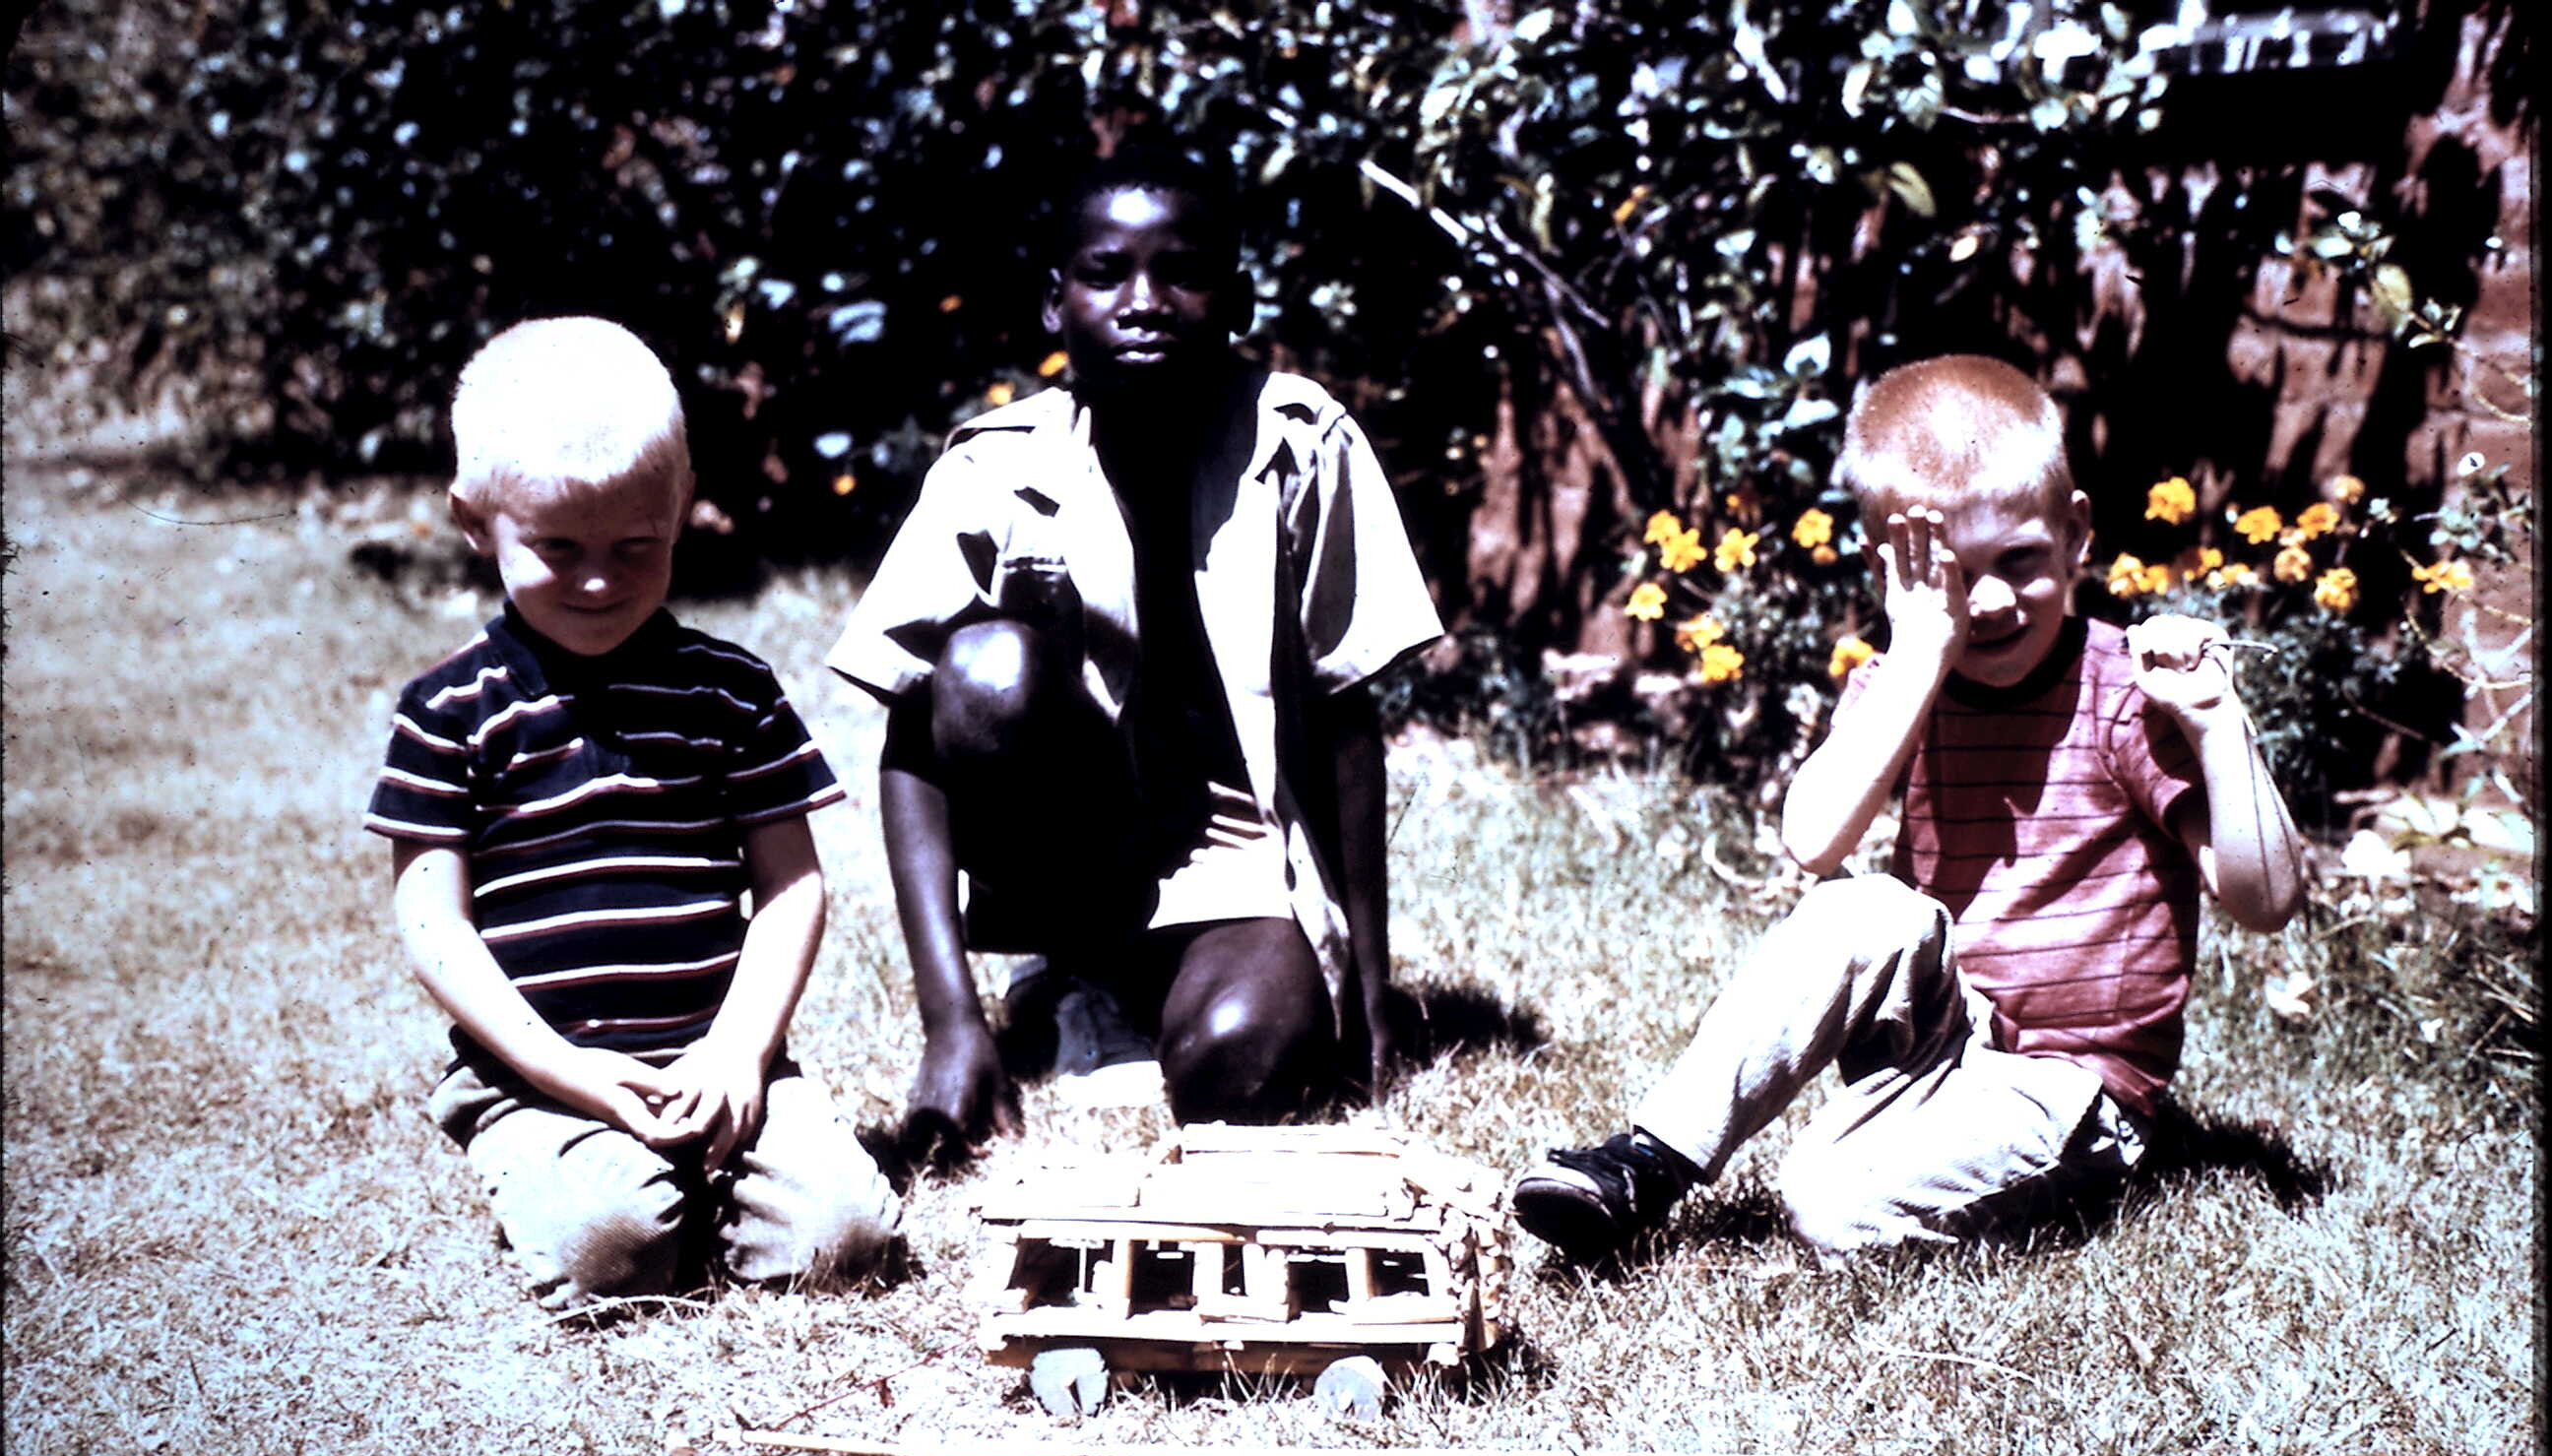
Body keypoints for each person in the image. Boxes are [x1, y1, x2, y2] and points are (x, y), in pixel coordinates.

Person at [1513, 353, 2305, 1262]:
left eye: (2021, 561)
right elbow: (1814, 844)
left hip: (2069, 1086)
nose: (1997, 602)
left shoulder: (2123, 689)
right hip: (1941, 1034)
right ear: (1895, 571)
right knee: (1861, 904)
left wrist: (2217, 723)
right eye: (1959, 578)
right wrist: (1923, 653)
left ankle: (2046, 1183)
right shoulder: (1905, 680)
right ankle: (1648, 1164)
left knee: (1826, 1207)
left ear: (2077, 533)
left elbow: (2265, 899)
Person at [827, 139, 1441, 1167]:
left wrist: (1368, 989)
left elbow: (1346, 711)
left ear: (1237, 299)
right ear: (1054, 304)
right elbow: (912, 738)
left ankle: (1160, 995)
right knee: (983, 669)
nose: (1146, 301)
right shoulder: (995, 472)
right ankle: (1069, 971)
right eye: (1107, 273)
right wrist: (949, 1019)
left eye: (1185, 272)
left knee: (1238, 1077)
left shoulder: (1302, 447)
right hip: (1078, 849)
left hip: (1242, 859)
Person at [365, 317, 899, 1313]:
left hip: (722, 1057)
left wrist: (740, 1050)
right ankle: (584, 1178)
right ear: (476, 522)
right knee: (611, 1255)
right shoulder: (448, 711)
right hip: (538, 1075)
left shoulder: (729, 692)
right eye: (558, 548)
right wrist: (567, 1073)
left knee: (846, 1242)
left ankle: (709, 1176)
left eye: (636, 546)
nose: (600, 581)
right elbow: (434, 926)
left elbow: (793, 884)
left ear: (684, 509)